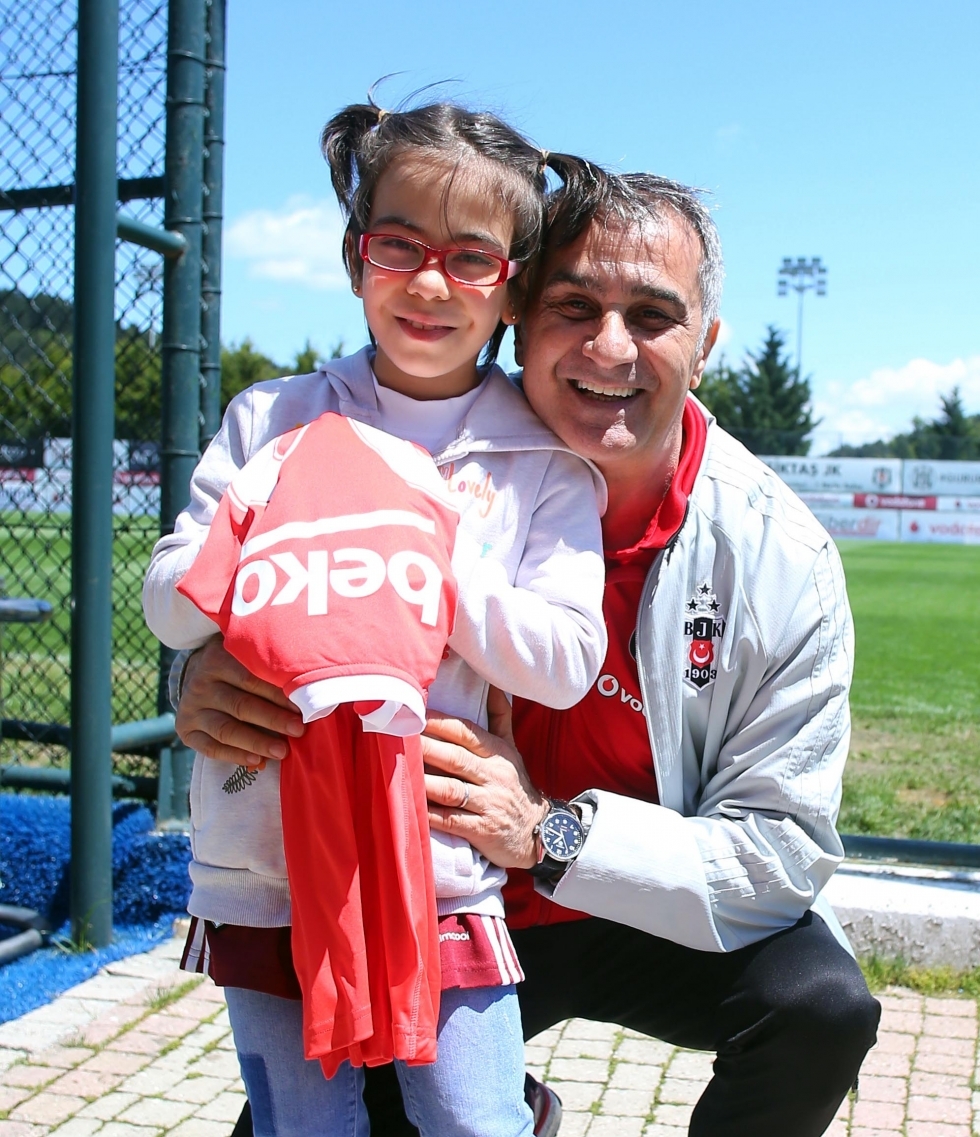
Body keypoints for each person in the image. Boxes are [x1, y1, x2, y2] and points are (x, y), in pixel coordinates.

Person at [175, 163, 881, 1137]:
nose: (607, 346)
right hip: (433, 896)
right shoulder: (394, 445)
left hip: (634, 908)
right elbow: (266, 578)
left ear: (705, 344)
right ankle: (509, 1107)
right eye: (573, 305)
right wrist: (206, 673)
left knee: (817, 1009)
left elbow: (782, 848)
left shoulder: (779, 557)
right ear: (515, 315)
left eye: (650, 315)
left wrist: (548, 836)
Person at [143, 101, 608, 1137]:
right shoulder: (273, 420)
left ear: (511, 289)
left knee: (467, 1122)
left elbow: (566, 661)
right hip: (258, 861)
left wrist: (423, 554)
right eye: (398, 244)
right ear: (356, 261)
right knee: (301, 1126)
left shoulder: (537, 462)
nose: (430, 281)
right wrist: (245, 570)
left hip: (435, 865)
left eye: (470, 258)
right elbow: (171, 598)